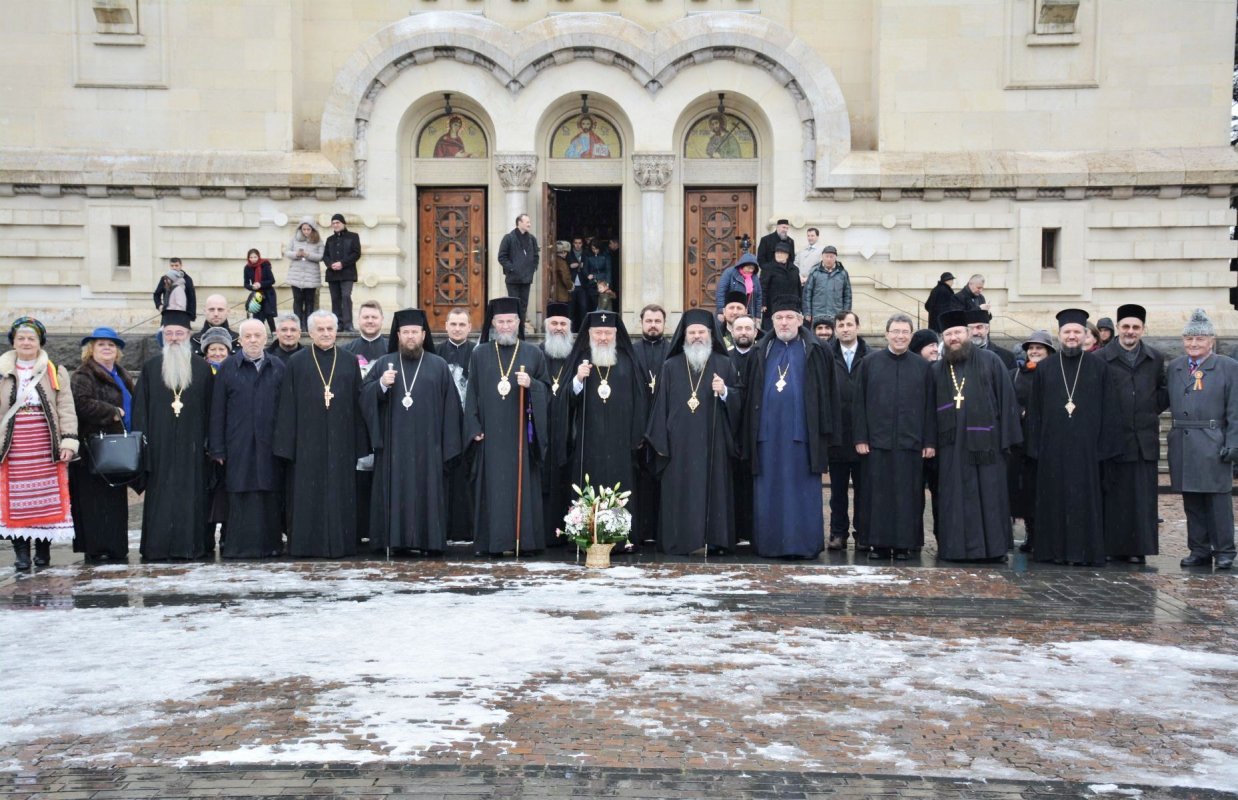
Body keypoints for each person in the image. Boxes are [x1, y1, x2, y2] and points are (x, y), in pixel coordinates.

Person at [362, 309, 462, 555]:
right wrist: (380, 386)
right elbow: (363, 397)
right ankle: (394, 541)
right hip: (393, 447)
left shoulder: (438, 366)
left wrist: (448, 446)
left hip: (429, 448)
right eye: (405, 332)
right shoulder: (384, 365)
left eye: (414, 333)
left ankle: (429, 542)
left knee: (428, 493)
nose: (410, 337)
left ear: (423, 334)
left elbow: (451, 407)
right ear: (397, 335)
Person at [744, 297, 836, 559]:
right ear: (771, 321)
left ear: (800, 319)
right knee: (769, 493)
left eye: (789, 317)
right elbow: (750, 393)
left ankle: (803, 545)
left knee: (802, 494)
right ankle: (769, 545)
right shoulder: (761, 349)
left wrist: (827, 435)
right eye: (779, 318)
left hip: (803, 438)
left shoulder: (817, 349)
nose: (784, 322)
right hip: (767, 439)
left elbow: (829, 393)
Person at [644, 309, 742, 555]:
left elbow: (740, 403)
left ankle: (716, 541)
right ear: (684, 336)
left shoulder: (724, 363)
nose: (697, 336)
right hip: (678, 446)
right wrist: (661, 444)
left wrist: (726, 393)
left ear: (710, 335)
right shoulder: (670, 366)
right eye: (692, 333)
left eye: (701, 332)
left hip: (714, 444)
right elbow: (660, 408)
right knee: (679, 491)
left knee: (714, 490)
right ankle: (678, 541)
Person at [1026, 309, 1119, 566]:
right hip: (1052, 450)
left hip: (1087, 450)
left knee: (1084, 502)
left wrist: (1104, 447)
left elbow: (1110, 408)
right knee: (1053, 501)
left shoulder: (1099, 367)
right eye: (1067, 332)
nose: (1072, 336)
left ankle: (1084, 552)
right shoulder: (1045, 368)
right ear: (1059, 335)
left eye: (1077, 332)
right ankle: (1052, 551)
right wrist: (1034, 447)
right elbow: (1035, 410)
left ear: (1085, 335)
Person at [273, 309, 367, 558]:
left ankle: (342, 544)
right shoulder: (297, 362)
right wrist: (286, 446)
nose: (326, 334)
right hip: (306, 443)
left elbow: (358, 403)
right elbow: (287, 406)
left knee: (340, 496)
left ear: (337, 331)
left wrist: (360, 444)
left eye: (330, 329)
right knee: (306, 496)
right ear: (311, 332)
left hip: (342, 441)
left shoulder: (348, 361)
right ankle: (306, 544)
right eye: (320, 329)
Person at [932, 310, 1022, 562]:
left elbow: (1007, 401)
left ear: (968, 333)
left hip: (988, 447)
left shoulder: (990, 360)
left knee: (990, 497)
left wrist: (1007, 442)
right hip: (951, 449)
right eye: (948, 334)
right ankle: (956, 549)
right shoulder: (938, 369)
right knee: (955, 498)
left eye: (958, 332)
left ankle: (992, 549)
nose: (953, 338)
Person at [464, 297, 551, 555]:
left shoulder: (533, 353)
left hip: (522, 437)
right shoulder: (480, 353)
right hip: (490, 435)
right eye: (500, 321)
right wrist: (473, 426)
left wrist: (531, 384)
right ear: (493, 323)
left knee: (520, 489)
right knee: (493, 490)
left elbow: (546, 392)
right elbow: (472, 394)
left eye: (509, 321)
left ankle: (523, 541)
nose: (505, 326)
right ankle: (493, 542)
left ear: (518, 323)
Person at [556, 310, 647, 548]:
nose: (603, 337)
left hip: (621, 441)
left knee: (621, 488)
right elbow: (564, 400)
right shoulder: (580, 360)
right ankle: (587, 537)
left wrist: (637, 435)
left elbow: (641, 400)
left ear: (616, 334)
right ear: (589, 334)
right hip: (589, 439)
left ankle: (621, 538)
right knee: (588, 485)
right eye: (599, 332)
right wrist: (577, 380)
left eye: (608, 332)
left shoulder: (628, 360)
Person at [853, 314, 937, 560]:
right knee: (876, 495)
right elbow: (859, 404)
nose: (900, 336)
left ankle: (904, 544)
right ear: (886, 334)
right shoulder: (869, 363)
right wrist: (860, 437)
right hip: (876, 443)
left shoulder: (922, 367)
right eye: (895, 331)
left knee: (908, 496)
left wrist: (930, 441)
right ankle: (877, 544)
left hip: (911, 443)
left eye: (905, 332)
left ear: (911, 336)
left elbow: (930, 407)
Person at [132, 310, 213, 561]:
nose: (175, 338)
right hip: (159, 445)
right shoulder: (150, 368)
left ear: (189, 336)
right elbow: (140, 409)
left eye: (180, 333)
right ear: (163, 336)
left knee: (193, 497)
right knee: (160, 496)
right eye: (170, 334)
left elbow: (211, 409)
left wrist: (209, 443)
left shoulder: (202, 368)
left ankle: (192, 546)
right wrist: (142, 443)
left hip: (193, 445)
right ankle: (158, 547)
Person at [1, 318, 77, 570]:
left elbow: (65, 408)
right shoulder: (1, 372)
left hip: (45, 444)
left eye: (31, 338)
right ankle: (21, 554)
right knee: (16, 500)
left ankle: (43, 553)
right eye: (21, 338)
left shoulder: (54, 371)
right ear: (13, 341)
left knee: (45, 497)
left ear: (39, 342)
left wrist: (68, 441)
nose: (26, 342)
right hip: (12, 445)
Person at [208, 319, 286, 559]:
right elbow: (217, 411)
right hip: (237, 443)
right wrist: (217, 448)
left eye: (258, 335)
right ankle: (238, 545)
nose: (253, 340)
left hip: (269, 444)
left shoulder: (278, 367)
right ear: (239, 340)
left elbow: (285, 409)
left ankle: (269, 545)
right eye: (248, 336)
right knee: (239, 492)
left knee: (268, 492)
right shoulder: (228, 368)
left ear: (266, 339)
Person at [1168, 309, 1238, 569]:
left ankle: (1224, 551)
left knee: (1217, 501)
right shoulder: (1175, 367)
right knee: (1192, 500)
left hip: (1213, 440)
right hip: (1183, 442)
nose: (1193, 344)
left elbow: (1235, 408)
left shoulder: (1228, 367)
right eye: (1189, 339)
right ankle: (1198, 549)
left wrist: (1233, 442)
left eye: (1199, 339)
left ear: (1212, 341)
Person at [1098, 304, 1167, 563]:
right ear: (1117, 328)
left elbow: (1162, 391)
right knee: (1115, 497)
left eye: (1135, 327)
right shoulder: (1101, 357)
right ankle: (1113, 546)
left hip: (1143, 440)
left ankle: (1140, 547)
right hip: (1114, 440)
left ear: (1143, 329)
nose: (1130, 332)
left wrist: (1147, 411)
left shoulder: (1155, 357)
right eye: (1125, 326)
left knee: (1143, 498)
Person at [69, 327, 134, 563]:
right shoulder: (83, 375)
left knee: (114, 499)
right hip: (93, 448)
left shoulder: (122, 374)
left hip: (117, 447)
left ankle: (116, 547)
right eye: (101, 344)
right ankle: (96, 548)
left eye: (111, 345)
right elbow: (81, 403)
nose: (107, 348)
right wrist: (112, 412)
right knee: (93, 500)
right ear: (91, 350)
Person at [826, 311, 869, 551]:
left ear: (857, 327)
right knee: (837, 492)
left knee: (864, 490)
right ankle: (838, 533)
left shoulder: (871, 356)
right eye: (840, 325)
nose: (845, 329)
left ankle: (863, 533)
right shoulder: (827, 356)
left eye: (849, 324)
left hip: (863, 436)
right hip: (837, 436)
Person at [1009, 330, 1054, 554]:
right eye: (1031, 348)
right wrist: (1020, 411)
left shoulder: (1055, 373)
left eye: (1040, 348)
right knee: (1025, 492)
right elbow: (1008, 400)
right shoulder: (1016, 374)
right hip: (1022, 442)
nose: (1035, 352)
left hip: (1047, 440)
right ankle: (1031, 533)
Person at [630, 304, 669, 546]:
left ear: (665, 324)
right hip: (639, 425)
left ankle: (662, 531)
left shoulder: (674, 353)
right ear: (641, 323)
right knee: (640, 483)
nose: (653, 325)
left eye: (657, 321)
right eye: (649, 321)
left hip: (665, 428)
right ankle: (642, 531)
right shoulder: (632, 352)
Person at [439, 307, 476, 543]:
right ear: (446, 326)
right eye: (453, 324)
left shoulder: (479, 352)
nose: (457, 329)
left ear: (470, 327)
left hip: (470, 426)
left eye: (462, 324)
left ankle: (469, 529)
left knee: (468, 478)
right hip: (443, 426)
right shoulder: (436, 353)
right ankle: (445, 528)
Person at [541, 302, 575, 543]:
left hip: (569, 430)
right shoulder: (535, 354)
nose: (559, 328)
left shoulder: (578, 357)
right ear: (546, 327)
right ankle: (543, 533)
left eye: (563, 324)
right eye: (554, 323)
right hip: (542, 429)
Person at [727, 314, 760, 544]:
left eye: (748, 328)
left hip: (756, 429)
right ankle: (734, 530)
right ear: (731, 331)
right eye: (739, 328)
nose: (744, 332)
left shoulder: (763, 357)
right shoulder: (723, 358)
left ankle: (753, 531)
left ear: (756, 332)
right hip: (730, 430)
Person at [911, 328, 941, 544]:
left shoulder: (941, 370)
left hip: (939, 443)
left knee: (940, 494)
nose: (934, 348)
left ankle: (942, 535)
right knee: (914, 496)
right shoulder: (915, 371)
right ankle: (915, 537)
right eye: (930, 345)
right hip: (915, 443)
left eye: (935, 345)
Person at [497, 213, 539, 330]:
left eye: (530, 222)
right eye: (527, 222)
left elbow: (536, 256)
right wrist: (512, 268)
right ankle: (513, 329)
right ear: (519, 223)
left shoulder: (532, 239)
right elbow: (502, 257)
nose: (529, 224)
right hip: (513, 279)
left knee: (523, 305)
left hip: (526, 278)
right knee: (514, 304)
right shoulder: (508, 238)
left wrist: (533, 268)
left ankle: (521, 330)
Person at [323, 213, 361, 333]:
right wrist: (331, 264)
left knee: (345, 296)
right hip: (332, 274)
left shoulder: (353, 236)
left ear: (343, 223)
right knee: (335, 299)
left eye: (337, 222)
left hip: (347, 273)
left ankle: (348, 324)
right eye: (333, 223)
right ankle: (338, 324)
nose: (335, 225)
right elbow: (325, 256)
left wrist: (342, 263)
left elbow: (356, 253)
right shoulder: (330, 239)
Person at [285, 217, 324, 331]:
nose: (306, 231)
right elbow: (287, 252)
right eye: (304, 229)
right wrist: (296, 254)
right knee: (297, 300)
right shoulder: (294, 240)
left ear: (313, 229)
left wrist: (308, 255)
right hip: (296, 275)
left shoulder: (318, 241)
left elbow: (321, 256)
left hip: (311, 276)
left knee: (309, 302)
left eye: (308, 229)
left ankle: (307, 325)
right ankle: (297, 324)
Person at [802, 246, 852, 326]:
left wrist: (846, 313)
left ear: (835, 257)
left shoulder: (842, 273)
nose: (829, 259)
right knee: (817, 336)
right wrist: (807, 313)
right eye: (826, 256)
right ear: (822, 257)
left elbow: (847, 295)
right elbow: (807, 293)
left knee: (835, 336)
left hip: (836, 314)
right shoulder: (814, 272)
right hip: (817, 314)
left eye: (831, 257)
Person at [759, 241, 801, 330]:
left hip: (791, 305)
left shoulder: (794, 269)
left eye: (781, 253)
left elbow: (798, 288)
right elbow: (763, 287)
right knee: (771, 330)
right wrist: (763, 303)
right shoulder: (768, 268)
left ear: (787, 255)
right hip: (772, 306)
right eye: (777, 252)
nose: (779, 255)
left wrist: (799, 304)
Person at [714, 253, 762, 324]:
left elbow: (758, 297)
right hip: (730, 312)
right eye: (749, 267)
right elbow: (721, 292)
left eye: (752, 268)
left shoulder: (754, 278)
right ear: (742, 265)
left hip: (748, 314)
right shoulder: (729, 273)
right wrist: (721, 311)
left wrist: (757, 316)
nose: (751, 270)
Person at [345, 300, 387, 371]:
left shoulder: (393, 350)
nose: (370, 321)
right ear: (358, 319)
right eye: (366, 317)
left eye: (374, 317)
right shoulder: (346, 351)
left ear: (382, 319)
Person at [152, 257, 197, 322]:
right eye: (172, 266)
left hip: (183, 314)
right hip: (167, 314)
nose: (174, 268)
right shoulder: (164, 279)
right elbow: (156, 294)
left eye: (176, 265)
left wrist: (191, 315)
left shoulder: (187, 279)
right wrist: (159, 305)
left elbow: (192, 298)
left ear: (181, 266)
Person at [243, 248, 277, 332]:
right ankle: (259, 333)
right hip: (257, 294)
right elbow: (246, 284)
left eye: (255, 257)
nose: (253, 259)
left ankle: (274, 333)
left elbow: (272, 280)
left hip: (268, 293)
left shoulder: (265, 265)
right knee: (257, 316)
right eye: (251, 257)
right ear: (248, 258)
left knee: (269, 315)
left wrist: (260, 284)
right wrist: (252, 287)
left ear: (258, 257)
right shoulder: (247, 268)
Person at [566, 236, 593, 330]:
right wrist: (578, 264)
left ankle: (584, 330)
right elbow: (568, 266)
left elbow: (588, 267)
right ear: (573, 243)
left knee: (583, 308)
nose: (577, 245)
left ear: (582, 244)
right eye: (576, 243)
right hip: (571, 285)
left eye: (579, 243)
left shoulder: (586, 254)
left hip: (583, 286)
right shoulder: (569, 254)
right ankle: (570, 330)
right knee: (571, 310)